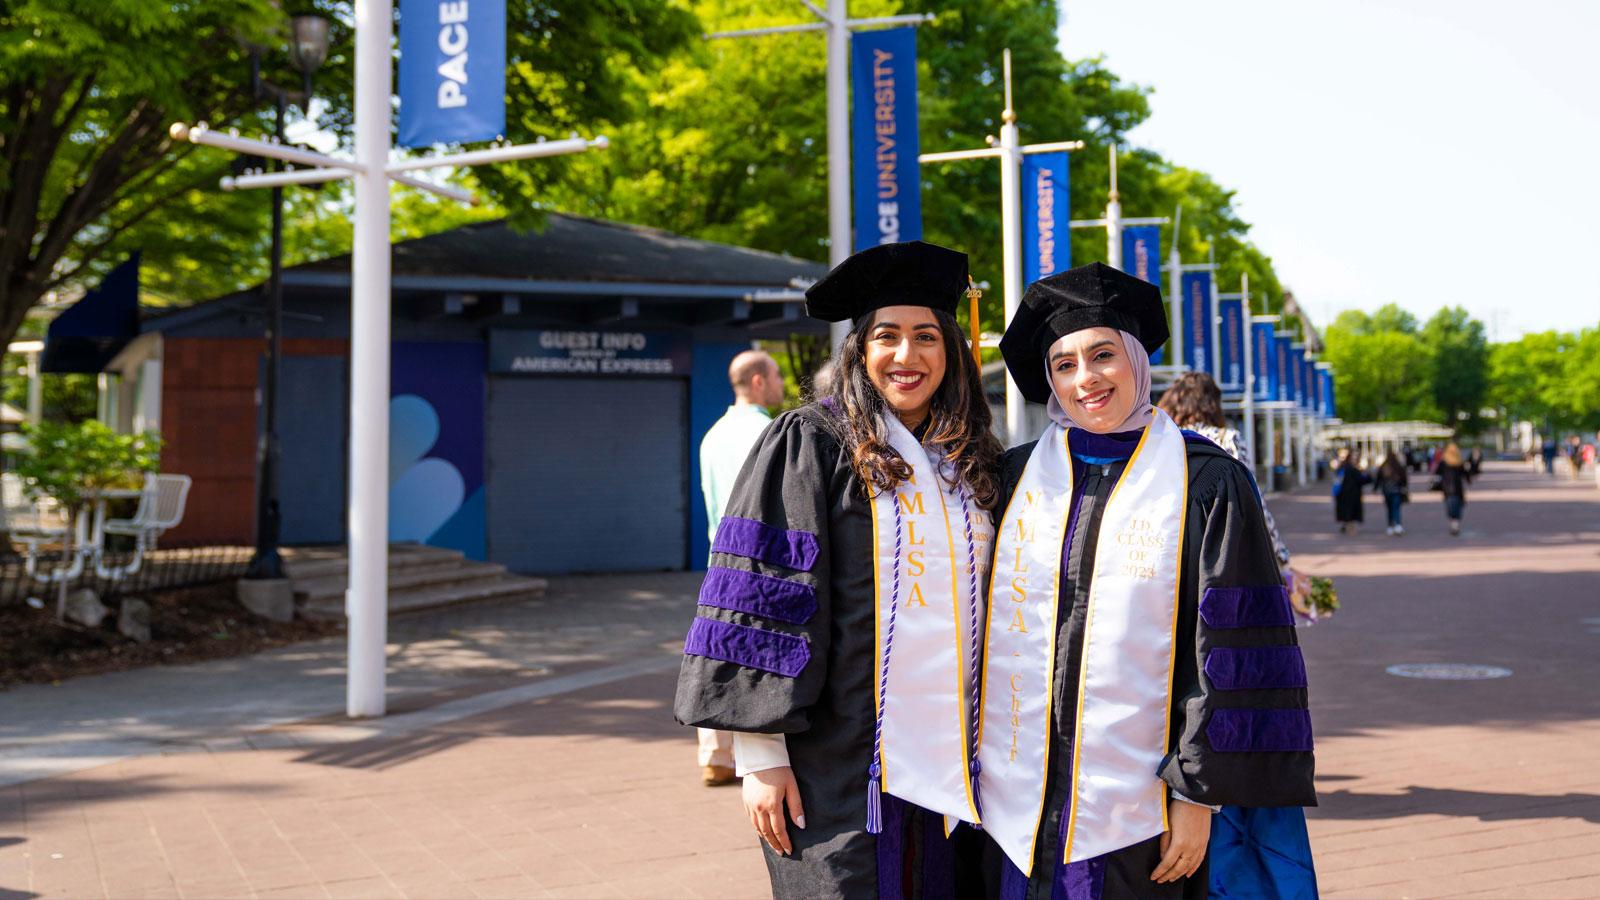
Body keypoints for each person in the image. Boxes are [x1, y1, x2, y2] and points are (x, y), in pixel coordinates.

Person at [674, 241, 1004, 897]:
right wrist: (761, 756)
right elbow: (762, 597)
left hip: (959, 767)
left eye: (926, 337)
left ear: (952, 352)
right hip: (842, 766)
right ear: (859, 349)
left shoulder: (972, 461)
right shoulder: (812, 442)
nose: (907, 357)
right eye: (887, 336)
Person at [978, 263, 1317, 899]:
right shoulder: (1015, 478)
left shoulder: (1207, 481)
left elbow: (1230, 655)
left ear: (1136, 360)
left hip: (1143, 807)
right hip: (1018, 802)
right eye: (1064, 364)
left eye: (1103, 355)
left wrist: (1198, 796)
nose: (1086, 380)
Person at [693, 349, 786, 786]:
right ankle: (763, 752)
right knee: (762, 654)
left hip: (718, 559)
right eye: (777, 375)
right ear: (758, 382)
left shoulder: (711, 436)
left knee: (716, 649)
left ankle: (714, 754)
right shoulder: (771, 432)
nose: (782, 383)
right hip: (763, 557)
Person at [1156, 372, 1312, 608]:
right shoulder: (1228, 439)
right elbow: (1254, 503)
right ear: (1212, 404)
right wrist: (1282, 558)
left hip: (1171, 544)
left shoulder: (1163, 438)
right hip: (1221, 545)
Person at [1331, 447, 1369, 534]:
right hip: (1351, 494)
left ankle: (1346, 525)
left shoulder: (1342, 468)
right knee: (1350, 512)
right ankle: (1350, 528)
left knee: (1347, 511)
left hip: (1343, 494)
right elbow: (1363, 480)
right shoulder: (1353, 469)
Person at [1435, 443, 1469, 536]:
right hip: (1458, 489)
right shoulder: (1459, 462)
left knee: (1450, 507)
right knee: (1457, 507)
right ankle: (1455, 525)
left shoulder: (1443, 462)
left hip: (1447, 489)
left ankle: (1453, 524)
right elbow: (1466, 475)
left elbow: (1437, 474)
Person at [1374, 450, 1410, 536]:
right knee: (1396, 508)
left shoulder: (1384, 466)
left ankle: (1390, 526)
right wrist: (1404, 487)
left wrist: (1375, 488)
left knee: (1389, 509)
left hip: (1386, 490)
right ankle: (1397, 525)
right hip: (1397, 490)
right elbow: (1404, 478)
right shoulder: (1398, 466)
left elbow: (1378, 479)